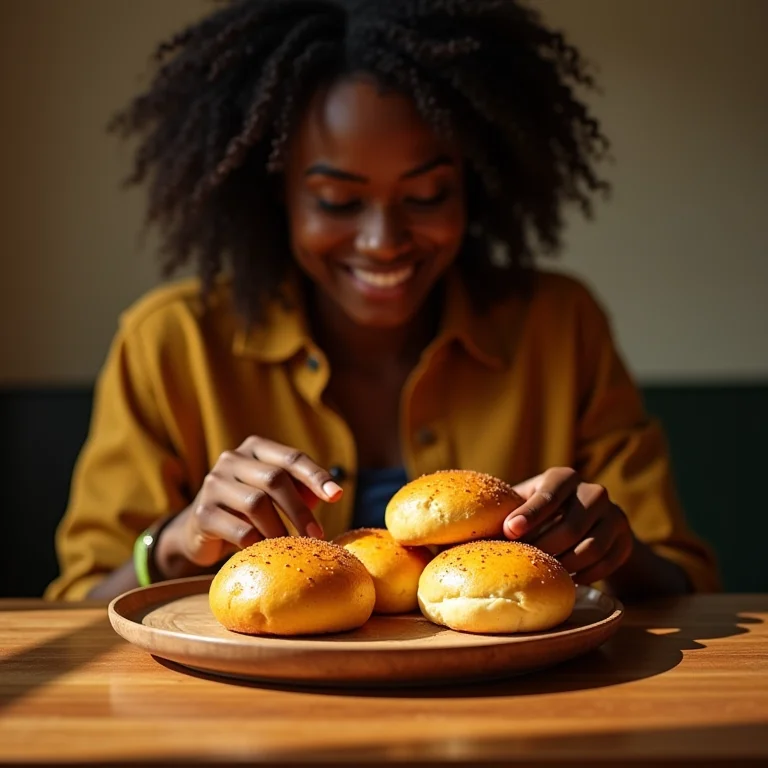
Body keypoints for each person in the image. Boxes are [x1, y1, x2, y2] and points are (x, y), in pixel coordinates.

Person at [46, 0, 719, 603]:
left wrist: (612, 548)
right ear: (275, 193)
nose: (384, 241)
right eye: (338, 201)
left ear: (473, 187)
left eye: (426, 196)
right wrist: (169, 543)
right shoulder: (172, 344)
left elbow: (688, 583)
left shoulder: (558, 325)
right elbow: (75, 603)